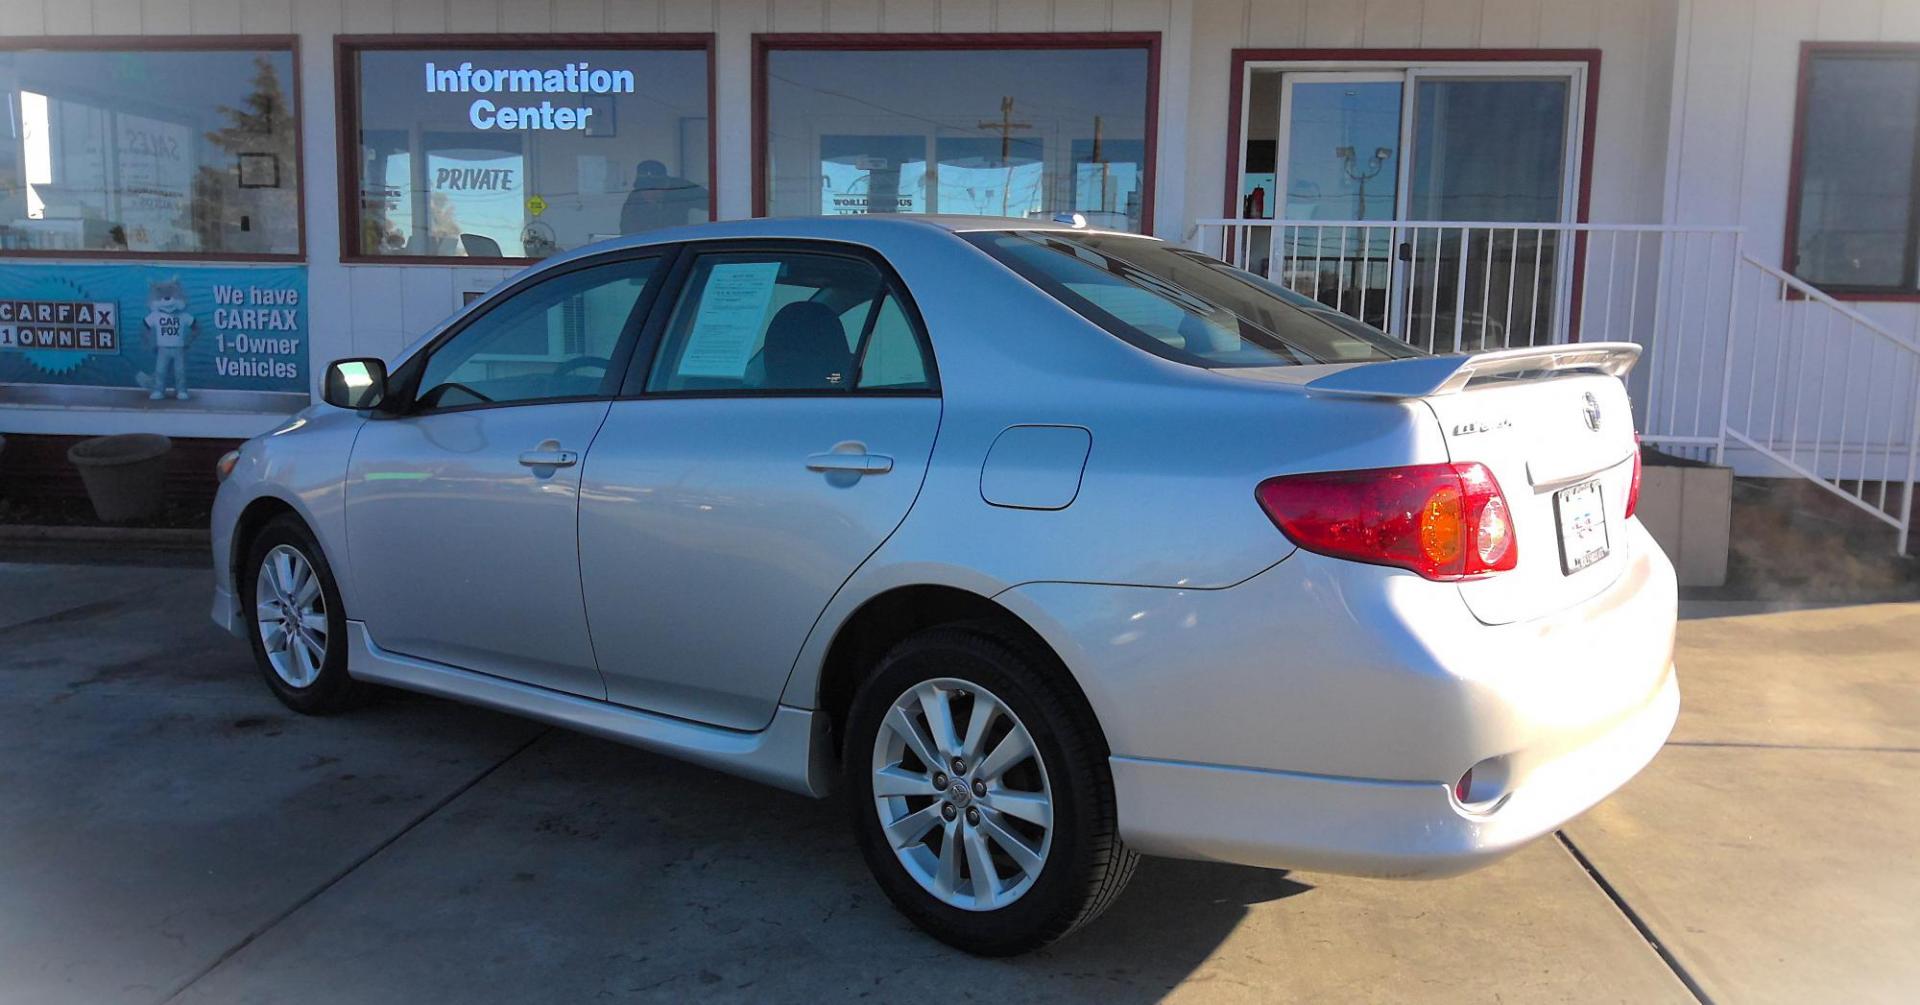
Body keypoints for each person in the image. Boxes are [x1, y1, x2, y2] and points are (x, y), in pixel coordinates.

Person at [619, 160, 709, 234]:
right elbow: (627, 231)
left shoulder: (680, 188)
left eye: (654, 188)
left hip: (677, 244)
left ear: (666, 184)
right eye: (644, 189)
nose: (649, 193)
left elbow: (713, 202)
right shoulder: (635, 198)